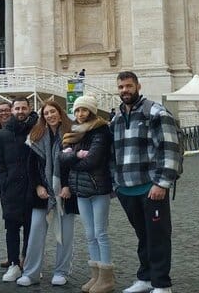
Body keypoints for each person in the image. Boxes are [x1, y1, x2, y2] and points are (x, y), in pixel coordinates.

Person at [111, 71, 181, 293]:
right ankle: (146, 278)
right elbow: (112, 154)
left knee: (158, 236)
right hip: (126, 189)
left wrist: (162, 183)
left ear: (138, 86)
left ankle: (162, 283)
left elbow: (170, 148)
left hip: (151, 188)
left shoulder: (156, 112)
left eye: (128, 86)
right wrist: (116, 184)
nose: (125, 90)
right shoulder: (116, 118)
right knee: (143, 236)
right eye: (121, 87)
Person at [16, 100, 77, 287]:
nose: (50, 115)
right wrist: (37, 186)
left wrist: (67, 186)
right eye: (46, 113)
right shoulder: (36, 135)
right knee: (35, 231)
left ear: (60, 113)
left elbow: (75, 164)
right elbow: (31, 166)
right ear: (42, 117)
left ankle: (61, 271)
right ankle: (31, 273)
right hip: (42, 192)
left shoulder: (72, 134)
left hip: (66, 192)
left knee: (65, 234)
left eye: (53, 111)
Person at [60, 95, 115, 293]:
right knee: (90, 234)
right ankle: (96, 275)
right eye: (77, 110)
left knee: (101, 233)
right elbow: (61, 157)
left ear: (91, 111)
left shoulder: (101, 130)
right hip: (80, 189)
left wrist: (71, 159)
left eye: (84, 110)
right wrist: (76, 155)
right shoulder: (73, 130)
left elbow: (92, 161)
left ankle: (107, 278)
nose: (80, 114)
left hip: (98, 187)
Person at [0, 96, 37, 283]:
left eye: (24, 108)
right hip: (10, 190)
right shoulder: (1, 135)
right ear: (12, 110)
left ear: (29, 109)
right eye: (17, 108)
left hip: (32, 188)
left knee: (31, 228)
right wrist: (4, 182)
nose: (20, 111)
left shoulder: (35, 130)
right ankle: (13, 264)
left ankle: (28, 263)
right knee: (11, 229)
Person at [0, 100, 13, 269]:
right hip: (4, 182)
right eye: (0, 111)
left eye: (7, 110)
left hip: (19, 180)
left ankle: (24, 256)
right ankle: (11, 254)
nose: (4, 113)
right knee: (9, 219)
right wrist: (1, 179)